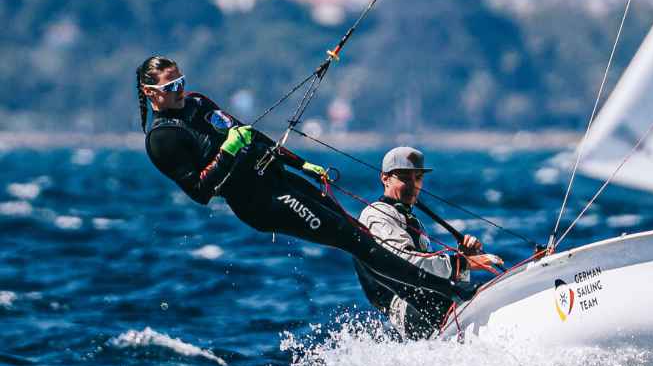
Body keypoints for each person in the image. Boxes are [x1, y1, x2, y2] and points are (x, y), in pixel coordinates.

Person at [136, 55, 476, 311]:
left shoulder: (197, 102)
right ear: (150, 92)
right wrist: (227, 152)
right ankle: (448, 293)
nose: (180, 90)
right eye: (171, 88)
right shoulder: (163, 139)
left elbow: (252, 136)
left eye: (181, 81)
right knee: (357, 242)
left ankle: (422, 303)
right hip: (262, 203)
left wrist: (303, 165)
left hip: (281, 179)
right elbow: (199, 192)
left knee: (360, 235)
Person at [359, 147, 501, 339]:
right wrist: (462, 263)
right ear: (385, 178)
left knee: (477, 293)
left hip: (431, 299)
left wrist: (464, 260)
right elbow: (405, 261)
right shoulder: (376, 215)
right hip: (406, 308)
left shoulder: (413, 222)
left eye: (417, 178)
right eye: (405, 178)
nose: (413, 185)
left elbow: (440, 277)